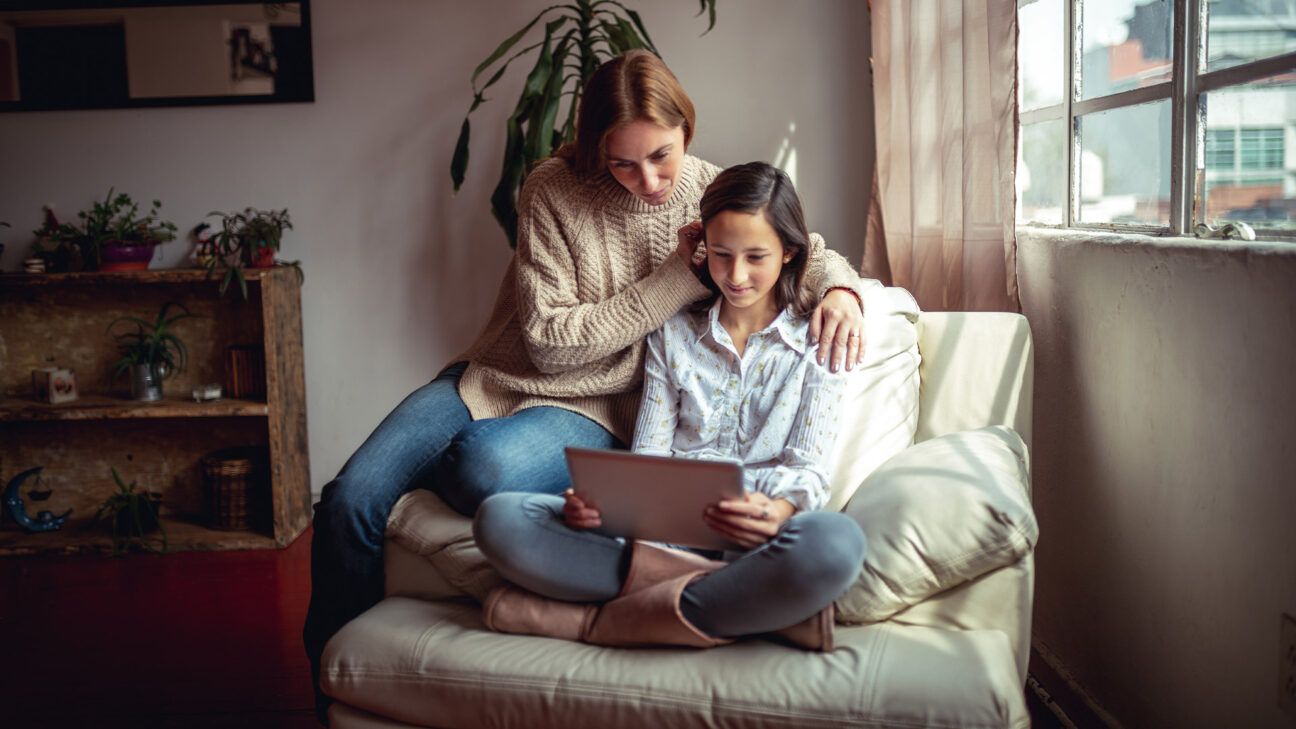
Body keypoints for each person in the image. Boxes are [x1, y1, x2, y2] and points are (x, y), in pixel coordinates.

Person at [304, 50, 866, 719]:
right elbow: (545, 343)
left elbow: (797, 244)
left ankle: (633, 604)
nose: (649, 179)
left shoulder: (707, 188)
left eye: (662, 154)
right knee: (349, 497)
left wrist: (843, 293)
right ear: (595, 145)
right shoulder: (551, 187)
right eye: (622, 161)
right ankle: (332, 683)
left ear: (686, 129)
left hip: (596, 407)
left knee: (482, 465)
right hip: (491, 377)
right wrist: (676, 281)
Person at [472, 161, 867, 651]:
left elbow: (809, 467)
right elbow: (649, 457)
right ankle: (745, 609)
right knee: (502, 519)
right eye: (721, 255)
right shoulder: (676, 331)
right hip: (662, 535)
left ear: (789, 252)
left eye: (755, 257)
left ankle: (599, 622)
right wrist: (607, 508)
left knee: (835, 545)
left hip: (756, 540)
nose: (736, 276)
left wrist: (781, 510)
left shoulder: (820, 337)